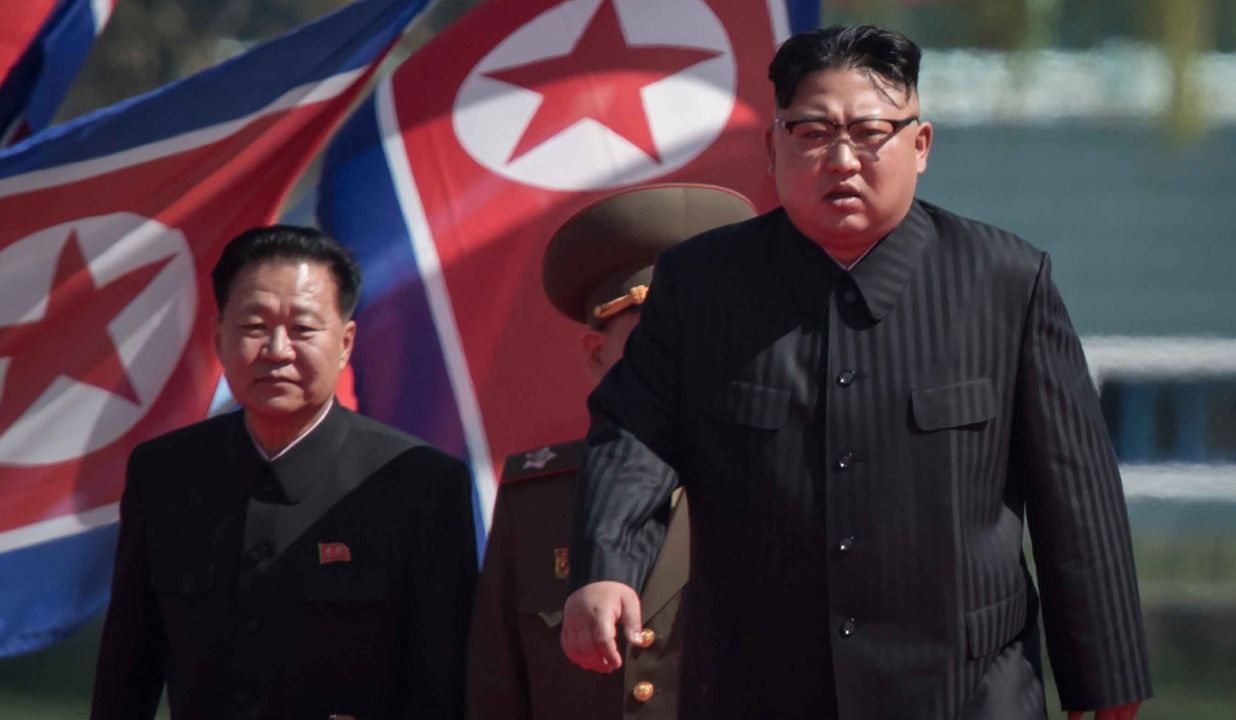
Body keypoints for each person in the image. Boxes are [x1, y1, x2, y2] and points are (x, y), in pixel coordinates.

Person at [561, 25, 1152, 720]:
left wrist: (1106, 682)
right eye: (812, 133)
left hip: (965, 691)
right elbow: (635, 435)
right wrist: (605, 567)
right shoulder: (702, 285)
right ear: (774, 146)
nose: (841, 158)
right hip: (761, 686)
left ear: (920, 145)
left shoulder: (1004, 282)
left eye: (870, 131)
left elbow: (1075, 495)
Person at [91, 225, 476, 720]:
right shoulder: (165, 472)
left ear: (345, 342)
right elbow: (128, 660)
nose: (277, 349)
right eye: (253, 327)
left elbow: (442, 681)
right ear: (219, 337)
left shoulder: (420, 483)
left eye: (303, 329)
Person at [466, 184, 756, 720]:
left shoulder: (775, 480)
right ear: (597, 355)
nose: (677, 362)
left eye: (697, 335)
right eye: (653, 341)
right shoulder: (539, 498)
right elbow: (497, 689)